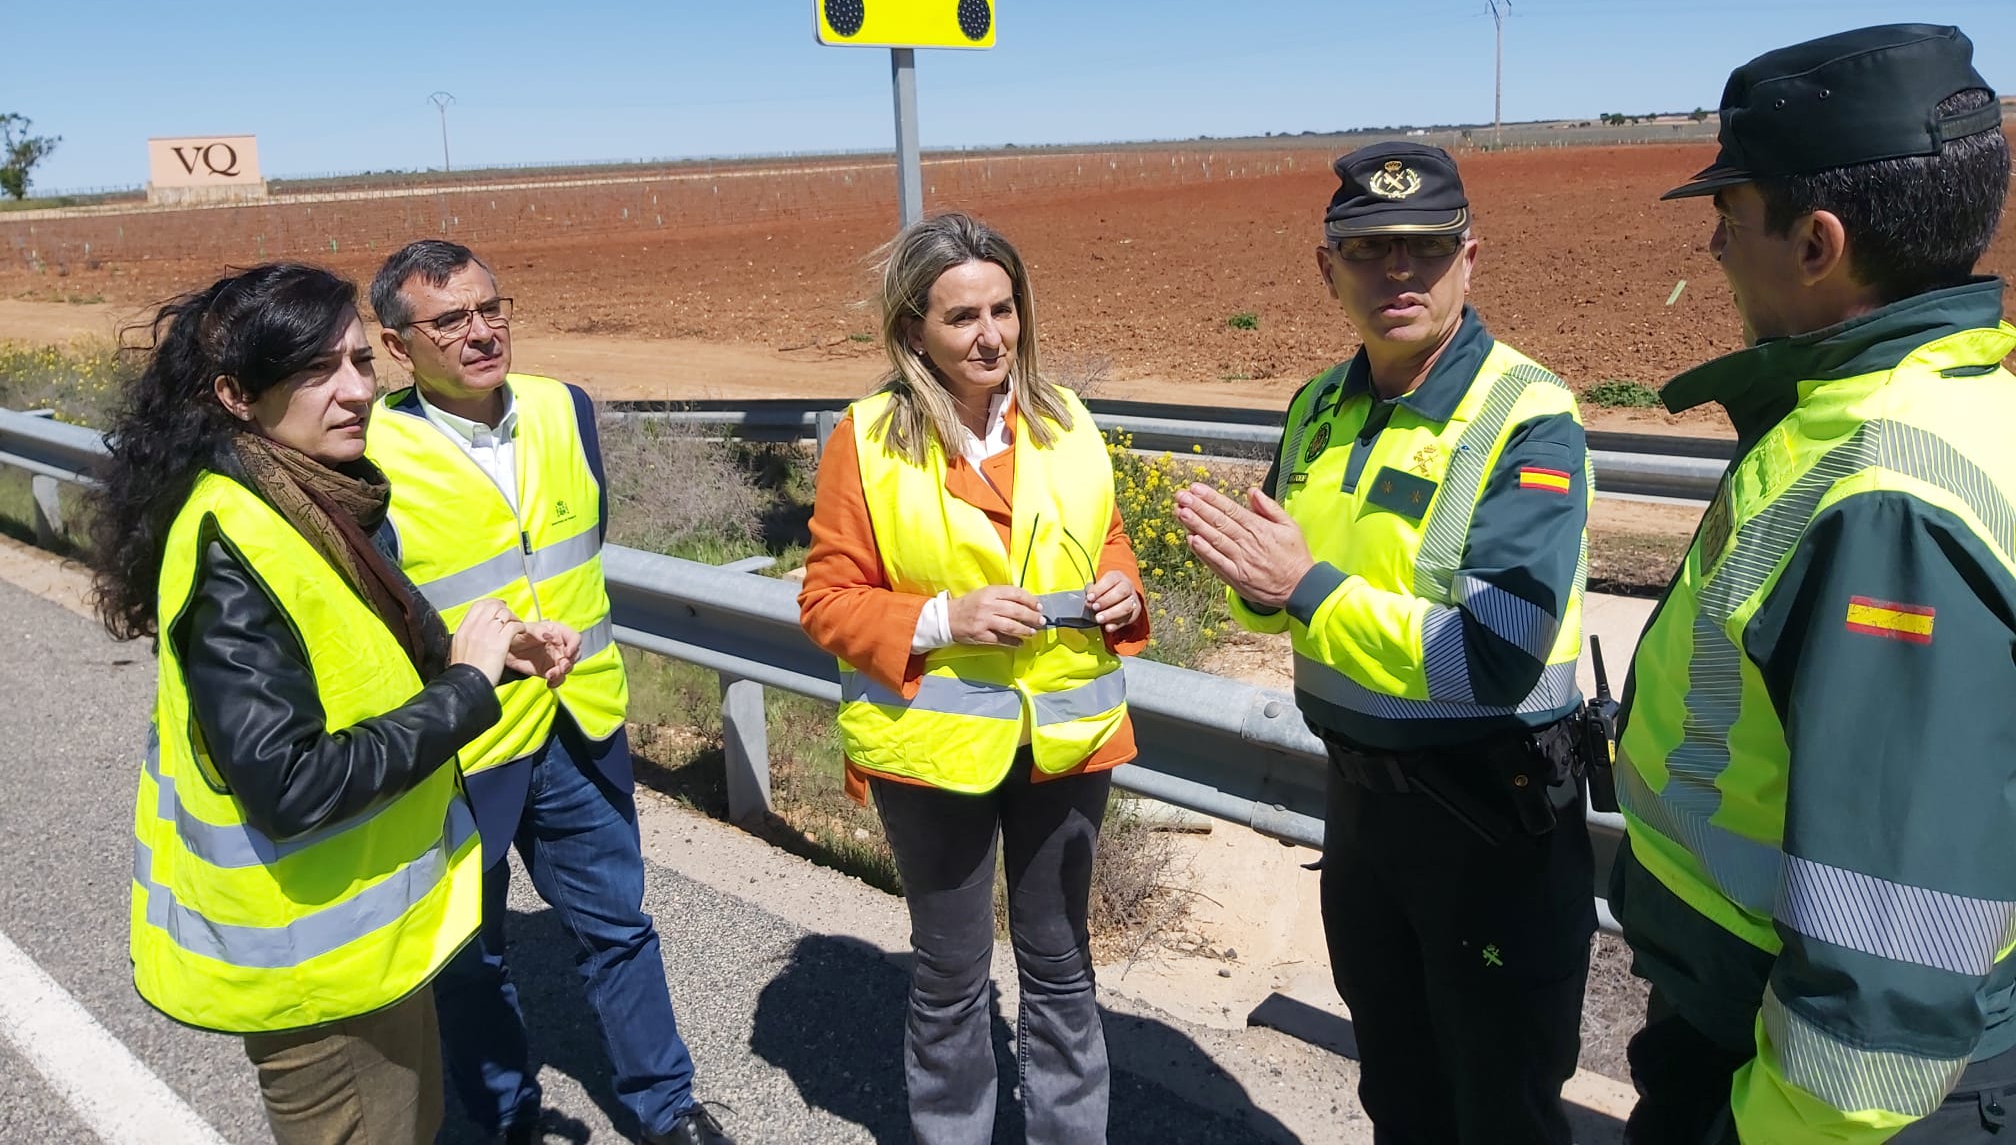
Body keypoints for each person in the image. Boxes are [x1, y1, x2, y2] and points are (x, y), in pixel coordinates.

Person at [1611, 25, 2016, 1143]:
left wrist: (1768, 1125)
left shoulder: (1884, 499)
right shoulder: (1964, 406)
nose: (1717, 245)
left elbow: (1888, 972)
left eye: (1731, 218)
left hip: (1821, 1096)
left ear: (1818, 242)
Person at [87, 262, 576, 1145]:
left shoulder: (306, 496)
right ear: (236, 394)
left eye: (359, 362)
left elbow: (349, 659)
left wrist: (488, 656)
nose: (355, 393)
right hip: (314, 974)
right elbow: (294, 785)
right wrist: (466, 690)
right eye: (316, 372)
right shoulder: (236, 543)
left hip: (362, 950)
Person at [1174, 142, 1597, 1144]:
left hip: (1493, 824)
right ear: (1328, 269)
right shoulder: (1320, 405)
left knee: (1500, 1108)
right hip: (1362, 817)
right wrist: (1260, 584)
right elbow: (1274, 604)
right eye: (1368, 251)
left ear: (1470, 259)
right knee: (1398, 1091)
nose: (1397, 272)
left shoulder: (1527, 416)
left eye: (1423, 248)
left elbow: (1496, 658)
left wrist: (1305, 586)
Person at [364, 239, 730, 1145]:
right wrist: (480, 650)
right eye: (450, 320)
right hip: (460, 744)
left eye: (493, 309)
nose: (481, 332)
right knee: (468, 957)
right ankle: (498, 1121)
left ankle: (665, 1109)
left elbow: (581, 539)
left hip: (580, 720)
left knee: (618, 928)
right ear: (396, 344)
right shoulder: (367, 449)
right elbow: (370, 614)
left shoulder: (564, 408)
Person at [797, 211, 1150, 1145]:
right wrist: (945, 619)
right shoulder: (868, 437)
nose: (990, 335)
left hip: (1067, 742)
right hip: (933, 753)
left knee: (1062, 963)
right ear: (914, 327)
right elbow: (827, 601)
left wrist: (1123, 590)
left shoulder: (1068, 422)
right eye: (962, 318)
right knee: (953, 976)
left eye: (1003, 309)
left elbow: (1103, 540)